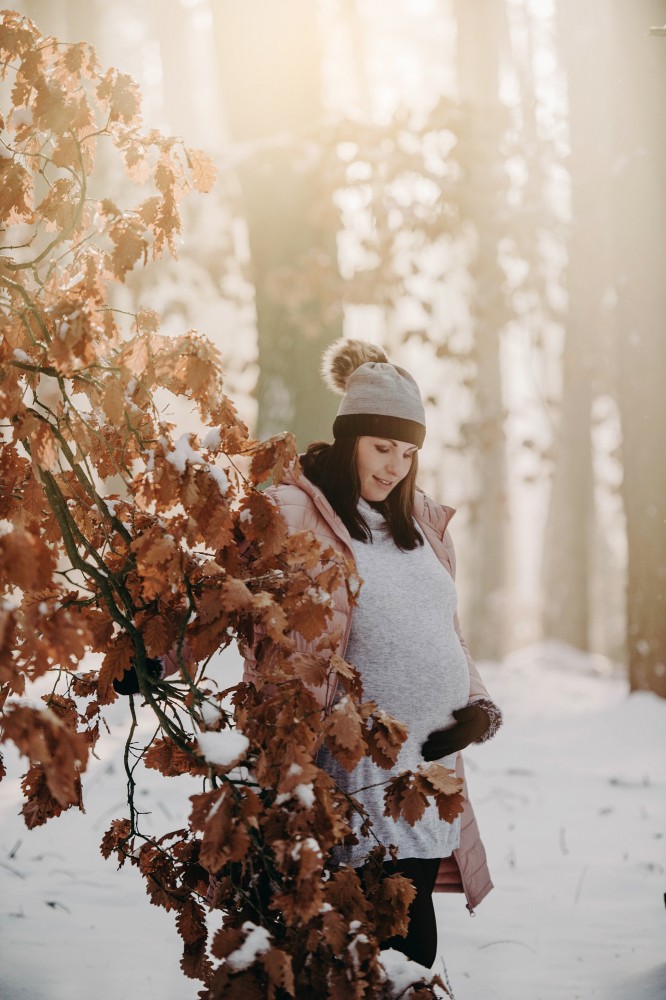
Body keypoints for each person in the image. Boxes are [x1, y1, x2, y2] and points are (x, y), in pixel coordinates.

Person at [242, 338, 502, 969]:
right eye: (382, 447)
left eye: (408, 452)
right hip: (346, 783)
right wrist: (155, 662)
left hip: (421, 784)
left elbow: (446, 632)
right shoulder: (296, 509)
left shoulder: (424, 524)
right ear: (350, 437)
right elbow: (229, 594)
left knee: (411, 964)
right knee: (347, 963)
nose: (394, 466)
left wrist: (479, 707)